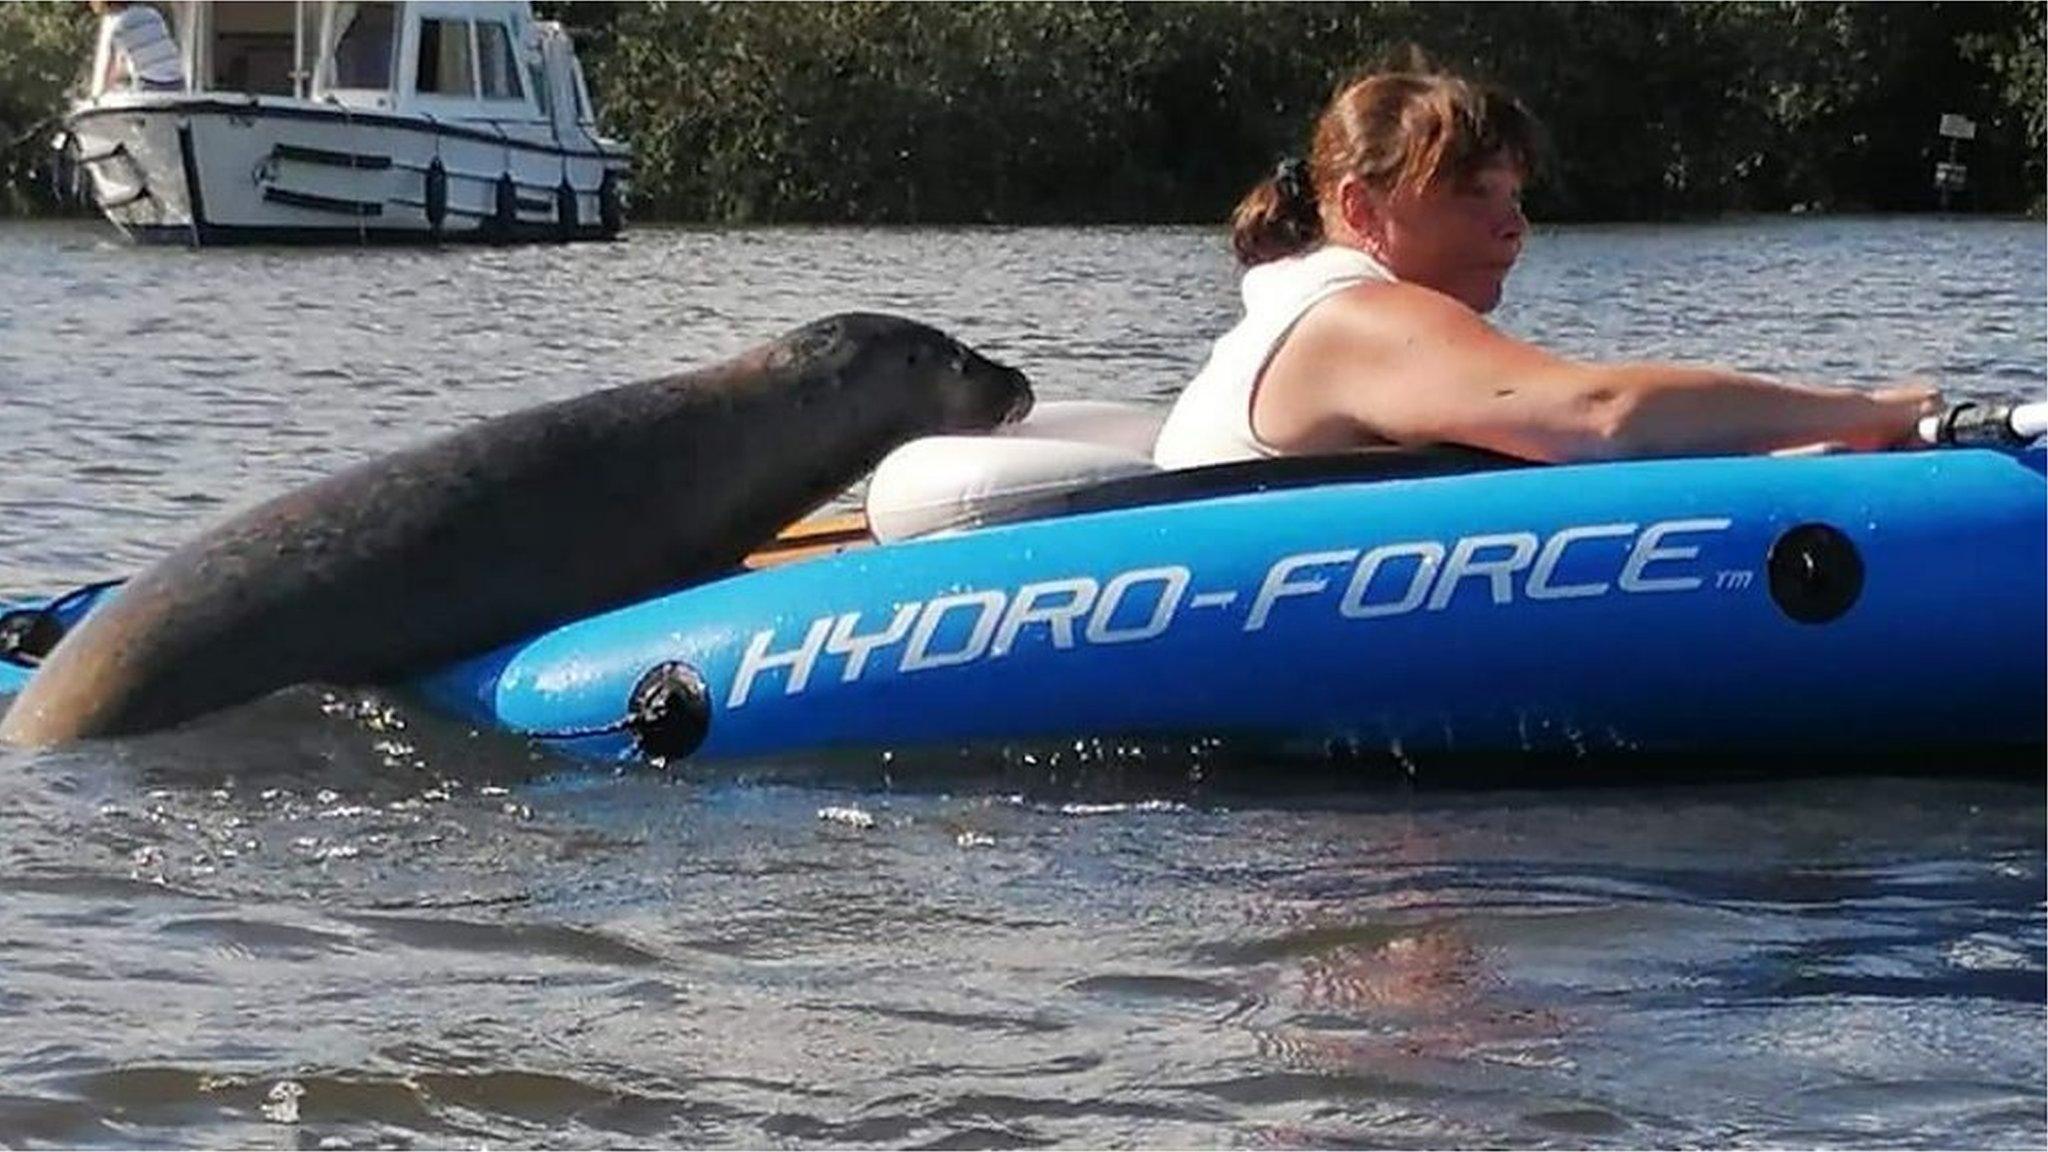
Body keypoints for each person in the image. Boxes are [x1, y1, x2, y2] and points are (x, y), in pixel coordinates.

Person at [1151, 62, 1941, 469]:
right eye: (1474, 194)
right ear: (1361, 209)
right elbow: (1600, 414)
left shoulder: (1305, 303)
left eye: (1514, 194)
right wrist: (1873, 410)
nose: (1513, 224)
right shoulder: (1357, 316)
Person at [90, 0, 185, 95]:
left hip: (150, 85)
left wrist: (98, 95)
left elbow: (108, 69)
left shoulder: (115, 24)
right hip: (178, 82)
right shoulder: (153, 14)